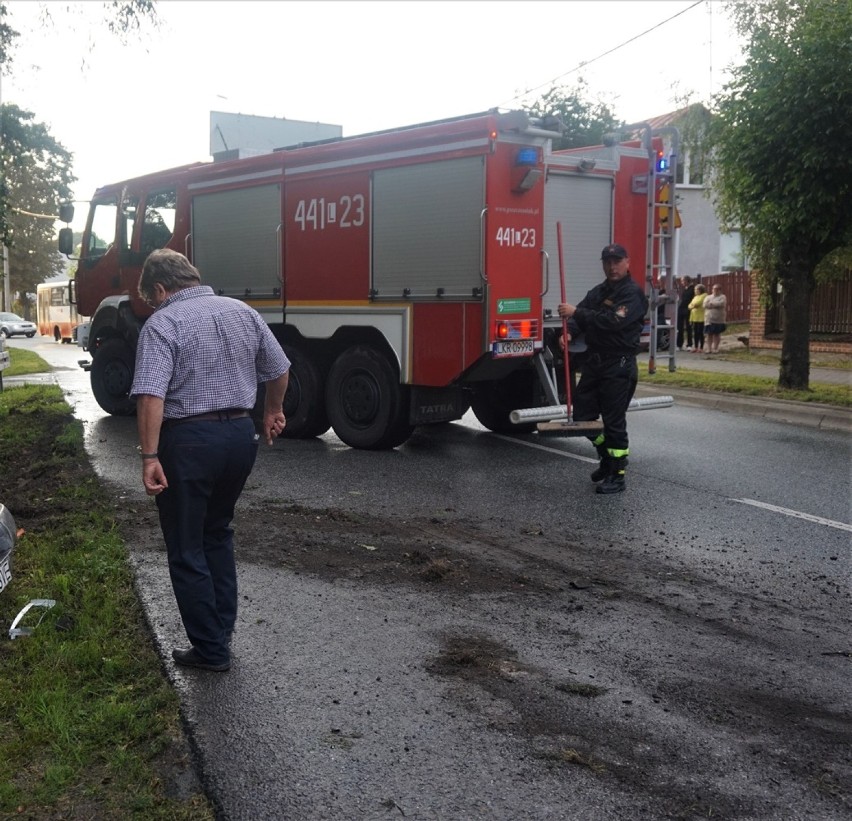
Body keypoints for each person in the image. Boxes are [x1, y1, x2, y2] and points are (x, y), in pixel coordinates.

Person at [130, 249, 290, 672]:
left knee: (186, 545)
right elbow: (278, 367)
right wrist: (273, 410)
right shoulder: (242, 311)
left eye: (152, 298)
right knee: (216, 532)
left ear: (161, 289)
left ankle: (211, 650)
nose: (153, 306)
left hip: (189, 442)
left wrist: (149, 457)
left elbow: (151, 395)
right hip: (240, 436)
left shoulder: (162, 324)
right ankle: (221, 631)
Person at [557, 243, 649, 494]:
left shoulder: (632, 294)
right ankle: (607, 457)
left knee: (613, 422)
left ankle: (617, 475)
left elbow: (612, 322)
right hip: (595, 363)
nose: (612, 266)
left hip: (618, 365)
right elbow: (579, 318)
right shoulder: (598, 292)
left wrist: (577, 313)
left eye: (617, 261)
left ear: (627, 262)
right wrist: (569, 332)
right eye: (607, 262)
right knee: (582, 417)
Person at [703, 283, 728, 354]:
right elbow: (705, 305)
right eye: (713, 289)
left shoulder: (722, 297)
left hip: (718, 319)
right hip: (709, 319)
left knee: (716, 334)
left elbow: (721, 304)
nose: (714, 291)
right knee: (709, 334)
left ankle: (715, 348)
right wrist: (714, 304)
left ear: (720, 290)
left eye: (716, 289)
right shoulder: (708, 297)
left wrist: (711, 304)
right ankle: (709, 348)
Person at [676, 275, 695, 351]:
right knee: (679, 327)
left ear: (687, 281)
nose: (682, 283)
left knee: (688, 327)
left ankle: (689, 344)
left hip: (688, 309)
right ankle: (679, 344)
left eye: (683, 281)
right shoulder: (685, 289)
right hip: (681, 309)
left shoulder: (692, 289)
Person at [688, 284, 707, 353]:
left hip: (701, 317)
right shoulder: (695, 297)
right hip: (694, 317)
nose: (695, 291)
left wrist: (693, 305)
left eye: (696, 290)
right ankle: (696, 347)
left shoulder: (704, 296)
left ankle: (701, 347)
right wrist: (692, 306)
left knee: (700, 333)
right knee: (695, 333)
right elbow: (689, 305)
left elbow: (697, 304)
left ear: (700, 290)